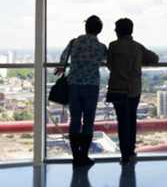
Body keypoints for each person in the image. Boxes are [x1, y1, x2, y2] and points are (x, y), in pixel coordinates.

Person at [54, 15, 108, 167]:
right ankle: (84, 155)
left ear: (86, 28)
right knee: (89, 121)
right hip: (91, 85)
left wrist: (61, 66)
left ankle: (75, 156)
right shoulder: (101, 47)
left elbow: (64, 57)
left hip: (74, 85)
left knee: (75, 120)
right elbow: (108, 62)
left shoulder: (74, 43)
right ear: (100, 30)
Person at [107, 18, 159, 166]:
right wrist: (140, 62)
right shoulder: (137, 47)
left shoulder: (113, 46)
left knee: (122, 121)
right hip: (133, 88)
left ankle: (124, 155)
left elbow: (110, 66)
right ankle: (131, 150)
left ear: (117, 31)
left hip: (117, 88)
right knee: (131, 119)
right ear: (131, 30)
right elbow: (155, 58)